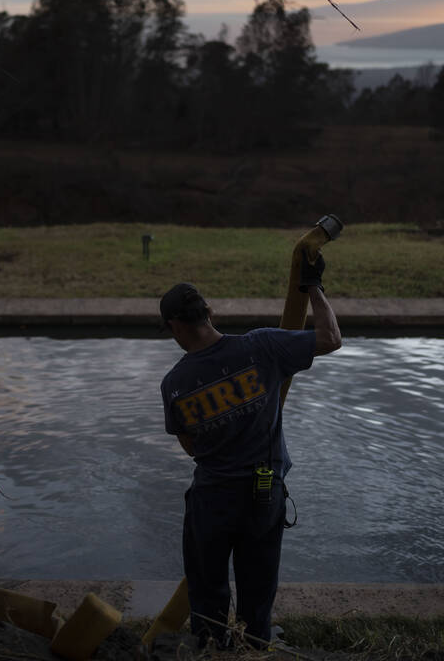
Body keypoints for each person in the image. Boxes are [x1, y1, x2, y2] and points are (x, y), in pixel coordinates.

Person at [158, 251, 341, 649]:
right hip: (263, 493)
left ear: (174, 327)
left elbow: (190, 446)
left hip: (211, 499)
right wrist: (313, 288)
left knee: (207, 591)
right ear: (209, 311)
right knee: (257, 591)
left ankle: (208, 649)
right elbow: (331, 338)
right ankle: (253, 649)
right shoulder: (264, 347)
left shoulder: (175, 383)